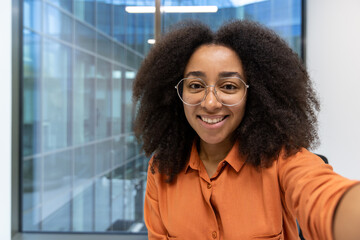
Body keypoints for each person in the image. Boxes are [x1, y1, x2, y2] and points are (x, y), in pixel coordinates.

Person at [133, 20, 360, 240]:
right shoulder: (161, 169)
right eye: (195, 86)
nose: (210, 103)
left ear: (255, 95)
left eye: (229, 86)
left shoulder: (282, 161)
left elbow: (324, 198)